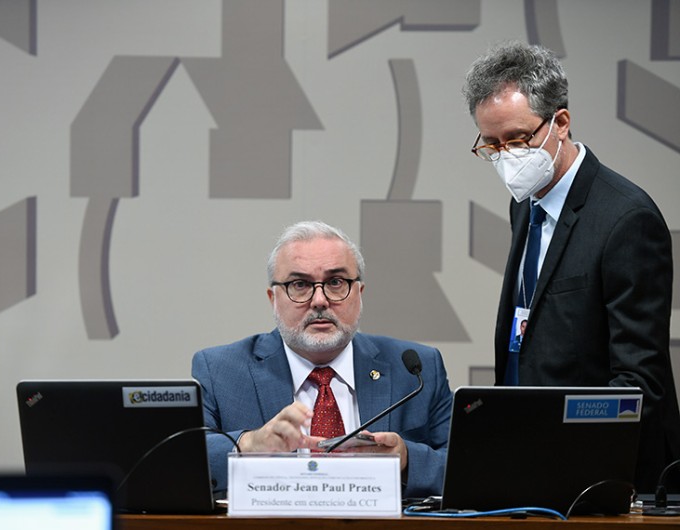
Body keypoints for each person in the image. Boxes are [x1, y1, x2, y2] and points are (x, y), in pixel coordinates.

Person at [462, 41, 680, 491]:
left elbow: (639, 380)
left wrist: (562, 441)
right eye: (492, 144)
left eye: (518, 139)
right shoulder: (524, 205)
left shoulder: (625, 219)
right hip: (531, 458)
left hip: (604, 473)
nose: (506, 157)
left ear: (560, 122)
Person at [192, 220, 453, 498]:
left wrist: (407, 459)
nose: (319, 300)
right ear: (273, 298)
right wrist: (248, 445)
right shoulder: (221, 370)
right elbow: (180, 463)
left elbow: (466, 467)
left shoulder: (414, 369)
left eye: (336, 282)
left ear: (359, 294)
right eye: (300, 284)